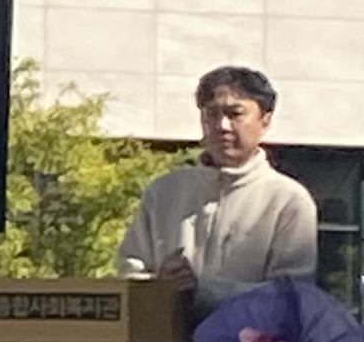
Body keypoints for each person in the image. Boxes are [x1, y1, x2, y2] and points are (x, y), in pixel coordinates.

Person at [116, 64, 318, 317]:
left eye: (235, 114)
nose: (222, 125)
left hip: (248, 340)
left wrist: (203, 291)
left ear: (264, 120)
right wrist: (160, 289)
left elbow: (290, 296)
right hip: (163, 339)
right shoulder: (163, 193)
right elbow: (129, 272)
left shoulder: (288, 200)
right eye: (211, 114)